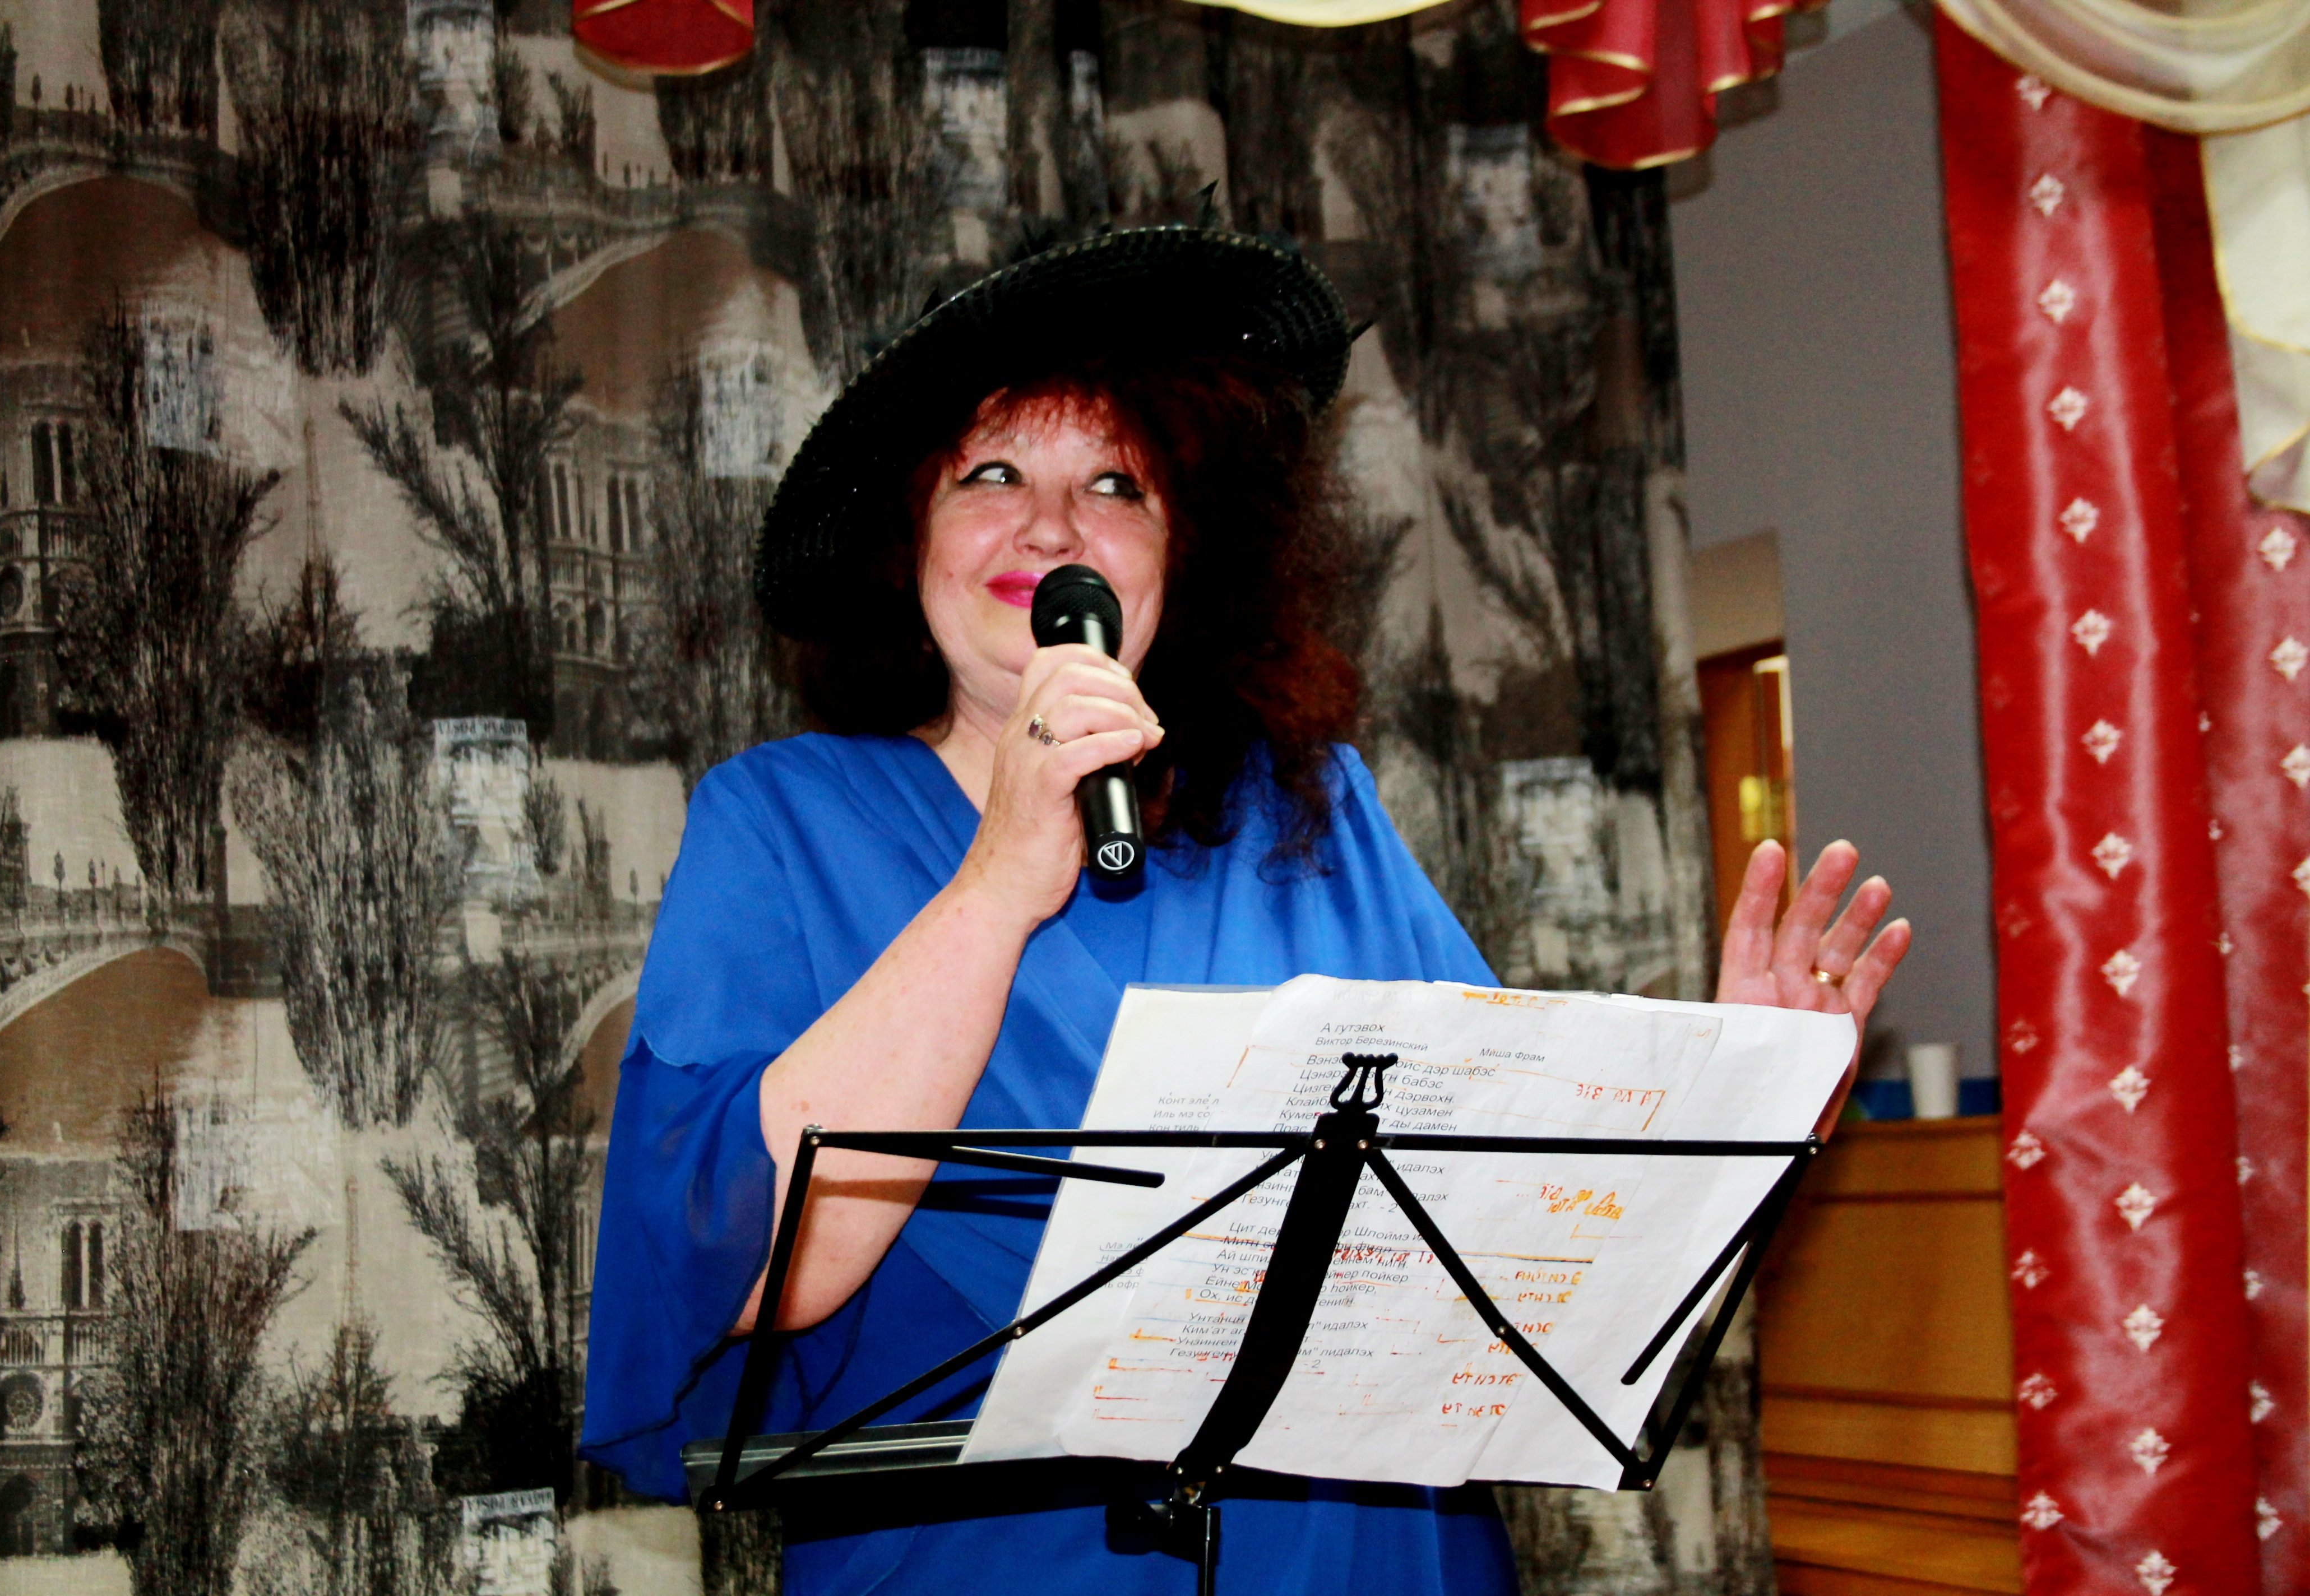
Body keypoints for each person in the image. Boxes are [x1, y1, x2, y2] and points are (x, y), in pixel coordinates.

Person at [578, 225, 1911, 1595]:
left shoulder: (1312, 811)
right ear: (908, 537)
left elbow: (1526, 1251)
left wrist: (1735, 1108)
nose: (1053, 526)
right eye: (992, 473)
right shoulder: (780, 821)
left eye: (1117, 483)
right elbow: (751, 1273)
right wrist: (1000, 878)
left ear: (1184, 551)